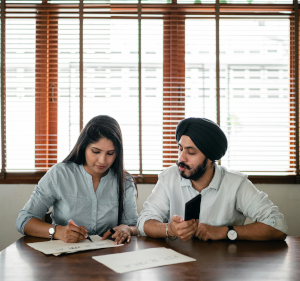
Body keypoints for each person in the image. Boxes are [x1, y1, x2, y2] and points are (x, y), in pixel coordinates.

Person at [137, 117, 288, 241]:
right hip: (178, 265)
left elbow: (278, 226)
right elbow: (144, 222)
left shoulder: (236, 184)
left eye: (191, 152)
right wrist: (169, 229)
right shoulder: (169, 177)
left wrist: (225, 232)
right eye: (180, 148)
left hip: (223, 266)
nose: (181, 158)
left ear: (210, 158)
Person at [16, 115, 138, 244]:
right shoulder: (59, 174)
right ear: (84, 147)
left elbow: (135, 225)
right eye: (96, 151)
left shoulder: (125, 181)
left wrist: (127, 229)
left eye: (110, 153)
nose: (103, 160)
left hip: (109, 255)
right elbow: (24, 220)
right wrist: (57, 232)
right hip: (65, 257)